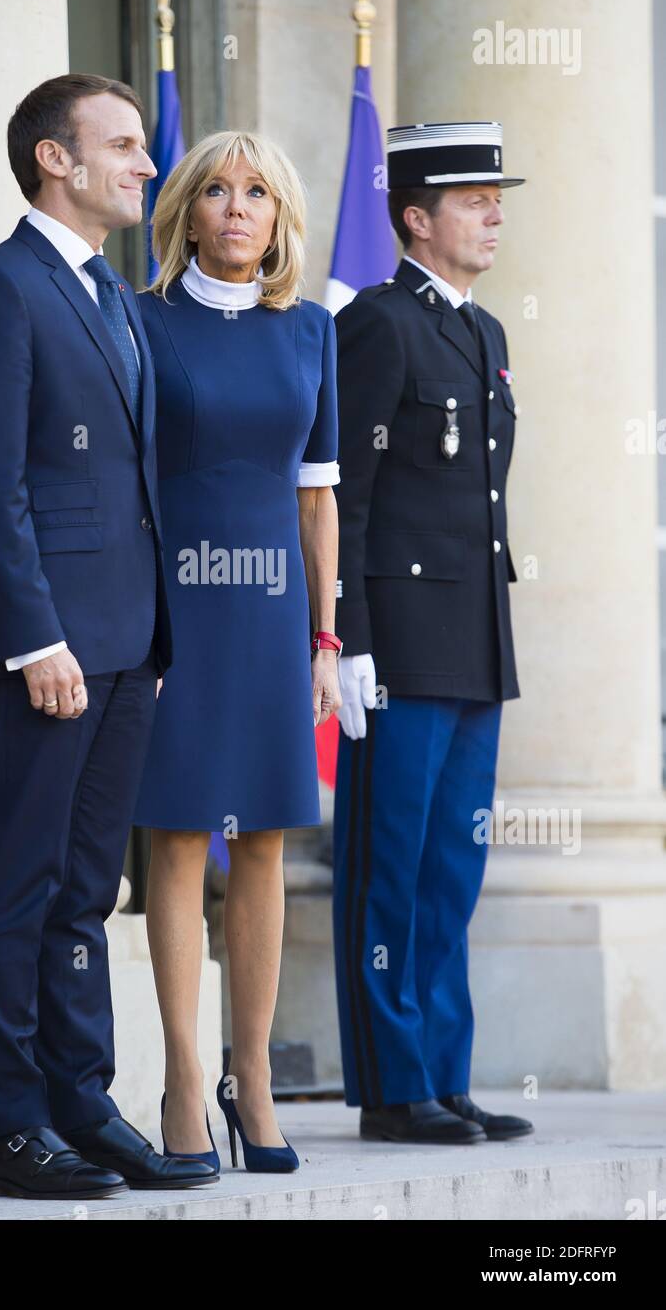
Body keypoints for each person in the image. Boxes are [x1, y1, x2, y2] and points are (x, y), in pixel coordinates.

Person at [0, 73, 217, 1198]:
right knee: (19, 880)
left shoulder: (113, 296)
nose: (148, 165)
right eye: (126, 145)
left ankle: (80, 1101)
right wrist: (33, 636)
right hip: (46, 646)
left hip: (129, 640)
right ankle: (8, 1129)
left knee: (86, 891)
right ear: (55, 159)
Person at [131, 131, 342, 1172]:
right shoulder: (140, 320)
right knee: (175, 837)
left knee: (262, 840)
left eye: (257, 192)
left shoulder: (311, 331)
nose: (236, 207)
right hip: (175, 612)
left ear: (281, 217)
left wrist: (325, 638)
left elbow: (319, 494)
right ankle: (179, 1080)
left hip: (270, 619)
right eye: (215, 189)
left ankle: (250, 1078)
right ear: (186, 212)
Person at [332, 121, 534, 1143]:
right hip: (400, 643)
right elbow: (347, 493)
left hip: (471, 636)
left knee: (454, 870)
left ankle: (446, 1074)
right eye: (473, 198)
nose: (495, 211)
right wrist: (349, 636)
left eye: (497, 196)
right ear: (416, 218)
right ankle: (392, 1083)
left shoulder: (484, 331)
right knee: (392, 866)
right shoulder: (377, 324)